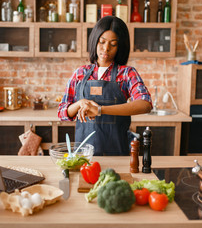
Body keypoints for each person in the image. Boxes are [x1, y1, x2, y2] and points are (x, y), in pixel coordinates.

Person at [58, 16, 152, 155]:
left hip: (117, 153)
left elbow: (146, 104)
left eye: (113, 44)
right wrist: (80, 104)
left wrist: (100, 110)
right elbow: (62, 113)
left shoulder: (126, 73)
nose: (106, 49)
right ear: (95, 41)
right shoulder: (80, 73)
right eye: (102, 42)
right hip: (83, 156)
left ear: (120, 46)